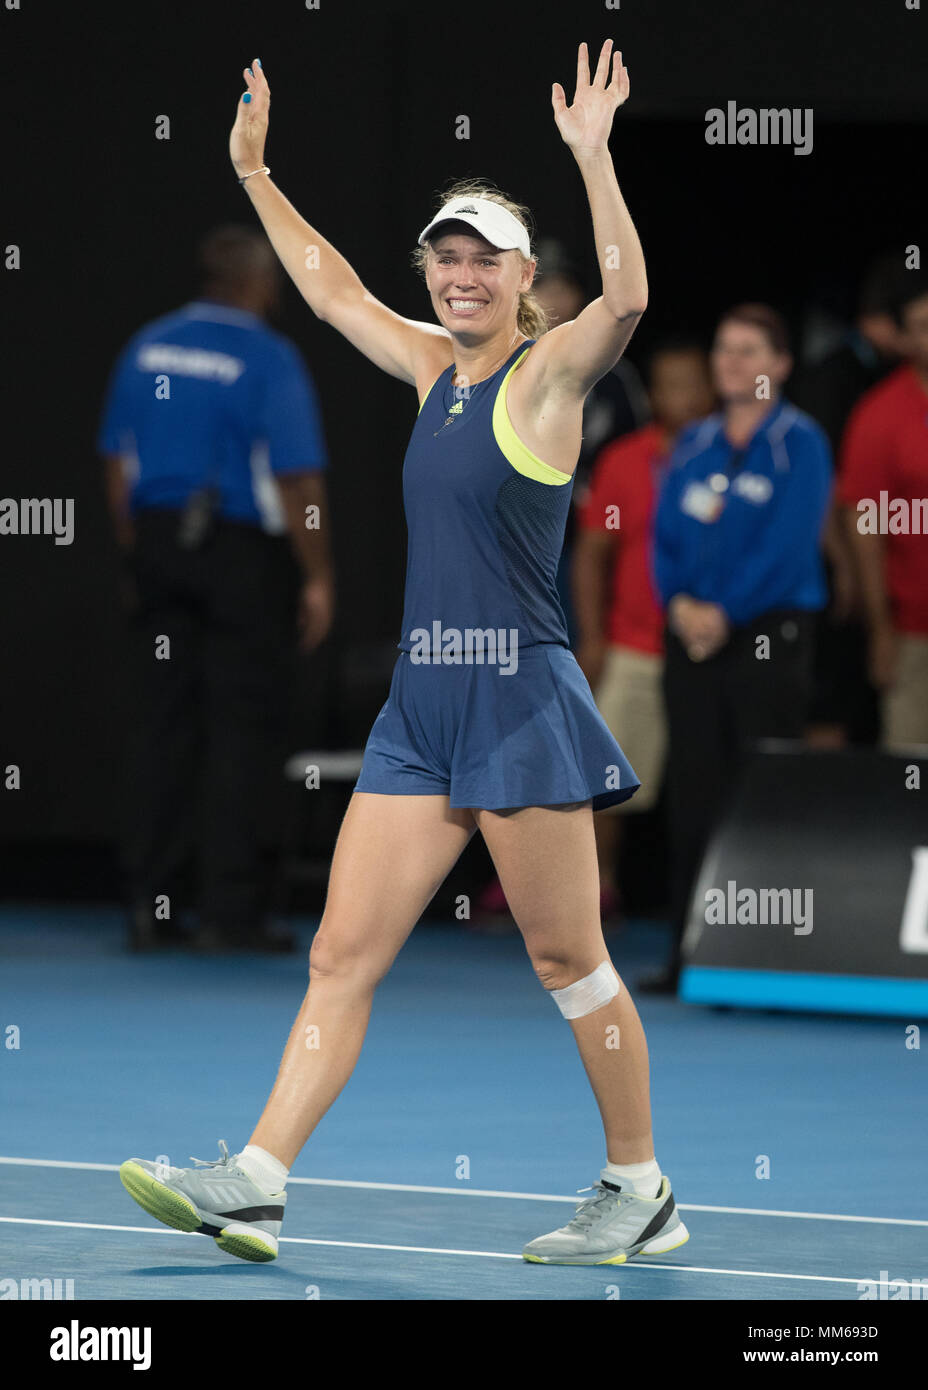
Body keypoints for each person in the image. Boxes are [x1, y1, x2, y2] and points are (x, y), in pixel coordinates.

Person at [119, 42, 691, 1269]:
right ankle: (257, 1180)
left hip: (519, 701)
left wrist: (594, 157)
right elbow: (327, 290)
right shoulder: (431, 368)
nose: (461, 273)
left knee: (565, 956)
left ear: (525, 278)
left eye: (486, 257)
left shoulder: (548, 378)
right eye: (446, 253)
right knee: (340, 951)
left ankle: (637, 1184)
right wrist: (257, 173)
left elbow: (631, 300)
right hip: (418, 710)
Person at [98, 224, 335, 953]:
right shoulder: (268, 355)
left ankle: (152, 906)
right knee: (244, 730)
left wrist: (141, 548)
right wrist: (319, 575)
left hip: (163, 546)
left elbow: (116, 462)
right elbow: (296, 476)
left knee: (164, 727)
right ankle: (231, 913)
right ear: (259, 283)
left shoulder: (147, 346)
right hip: (238, 555)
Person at [648, 304, 832, 993]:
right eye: (724, 349)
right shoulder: (692, 442)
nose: (733, 362)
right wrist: (680, 604)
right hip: (692, 639)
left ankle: (762, 960)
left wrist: (725, 612)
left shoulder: (800, 442)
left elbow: (789, 547)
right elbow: (661, 534)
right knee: (692, 794)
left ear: (780, 365)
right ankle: (686, 954)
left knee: (760, 796)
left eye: (750, 351)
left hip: (765, 638)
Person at [573, 340, 715, 920]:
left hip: (709, 650)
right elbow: (591, 554)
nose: (679, 395)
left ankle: (707, 905)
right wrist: (594, 636)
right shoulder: (624, 461)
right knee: (605, 785)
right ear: (653, 395)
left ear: (709, 390)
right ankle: (598, 892)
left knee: (703, 784)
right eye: (668, 384)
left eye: (691, 383)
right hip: (633, 647)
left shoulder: (728, 456)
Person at [837, 268, 928, 750]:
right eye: (925, 325)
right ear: (906, 338)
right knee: (912, 778)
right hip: (914, 632)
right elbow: (864, 525)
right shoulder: (879, 414)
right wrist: (881, 630)